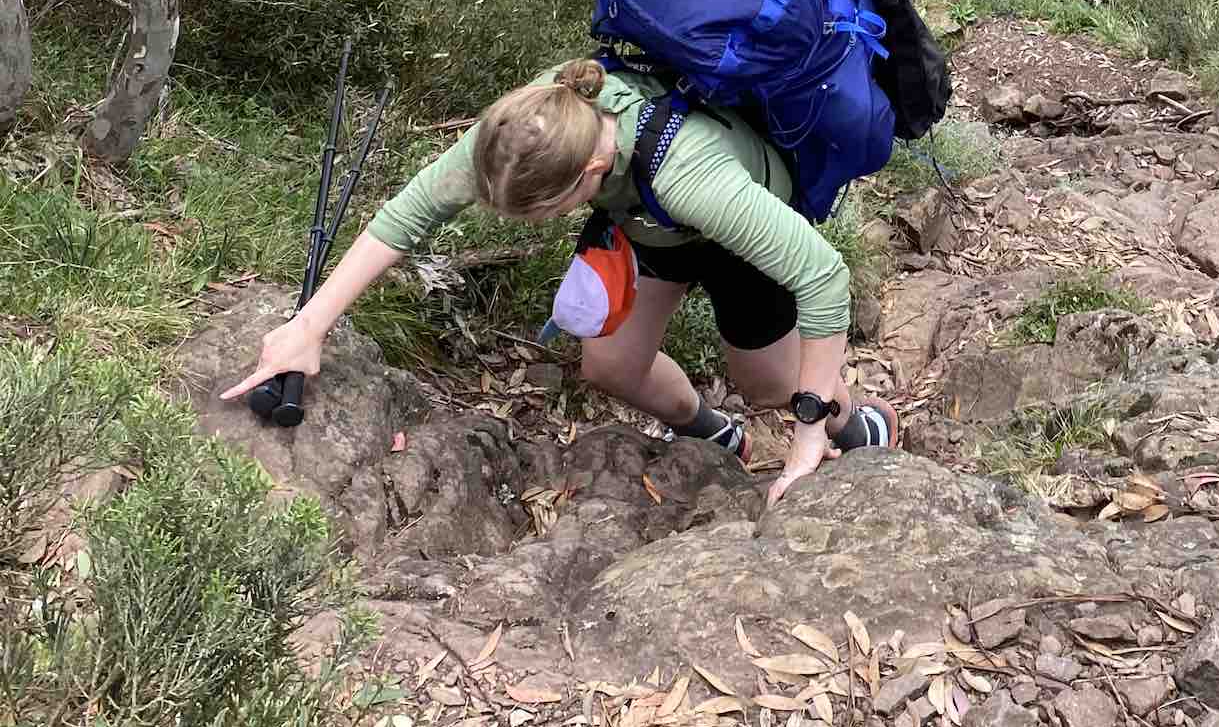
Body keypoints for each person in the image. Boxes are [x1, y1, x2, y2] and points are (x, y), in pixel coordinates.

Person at [220, 58, 897, 506]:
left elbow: (822, 278)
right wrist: (308, 326)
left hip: (735, 221)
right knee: (609, 366)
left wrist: (806, 437)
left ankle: (858, 425)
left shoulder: (695, 178)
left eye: (545, 212)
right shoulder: (530, 125)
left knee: (771, 384)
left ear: (589, 177)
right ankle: (717, 436)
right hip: (649, 220)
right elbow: (409, 214)